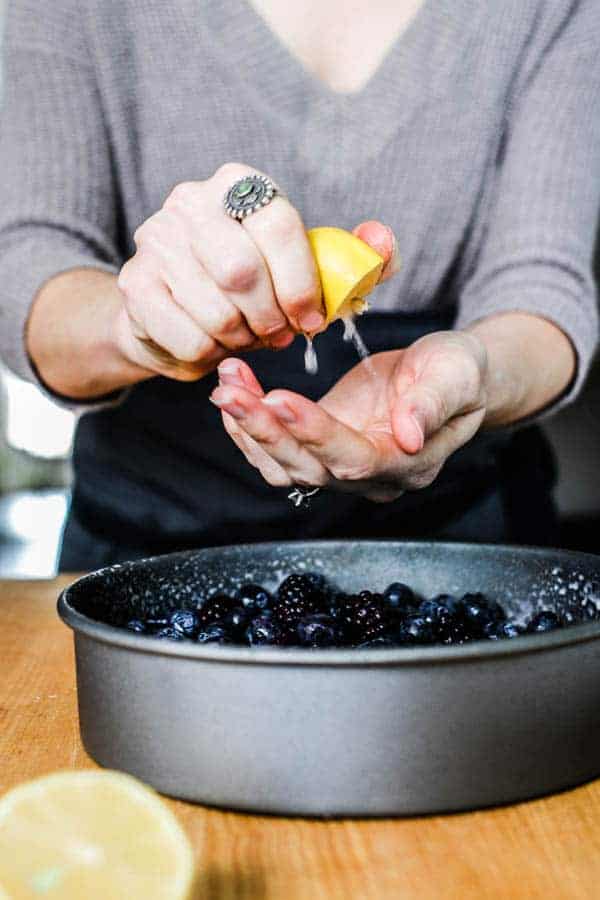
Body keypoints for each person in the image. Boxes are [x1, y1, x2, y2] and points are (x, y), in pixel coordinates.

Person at [0, 0, 598, 571]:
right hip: (148, 551)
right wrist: (139, 326)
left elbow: (540, 282)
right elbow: (30, 265)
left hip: (464, 555)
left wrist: (476, 373)